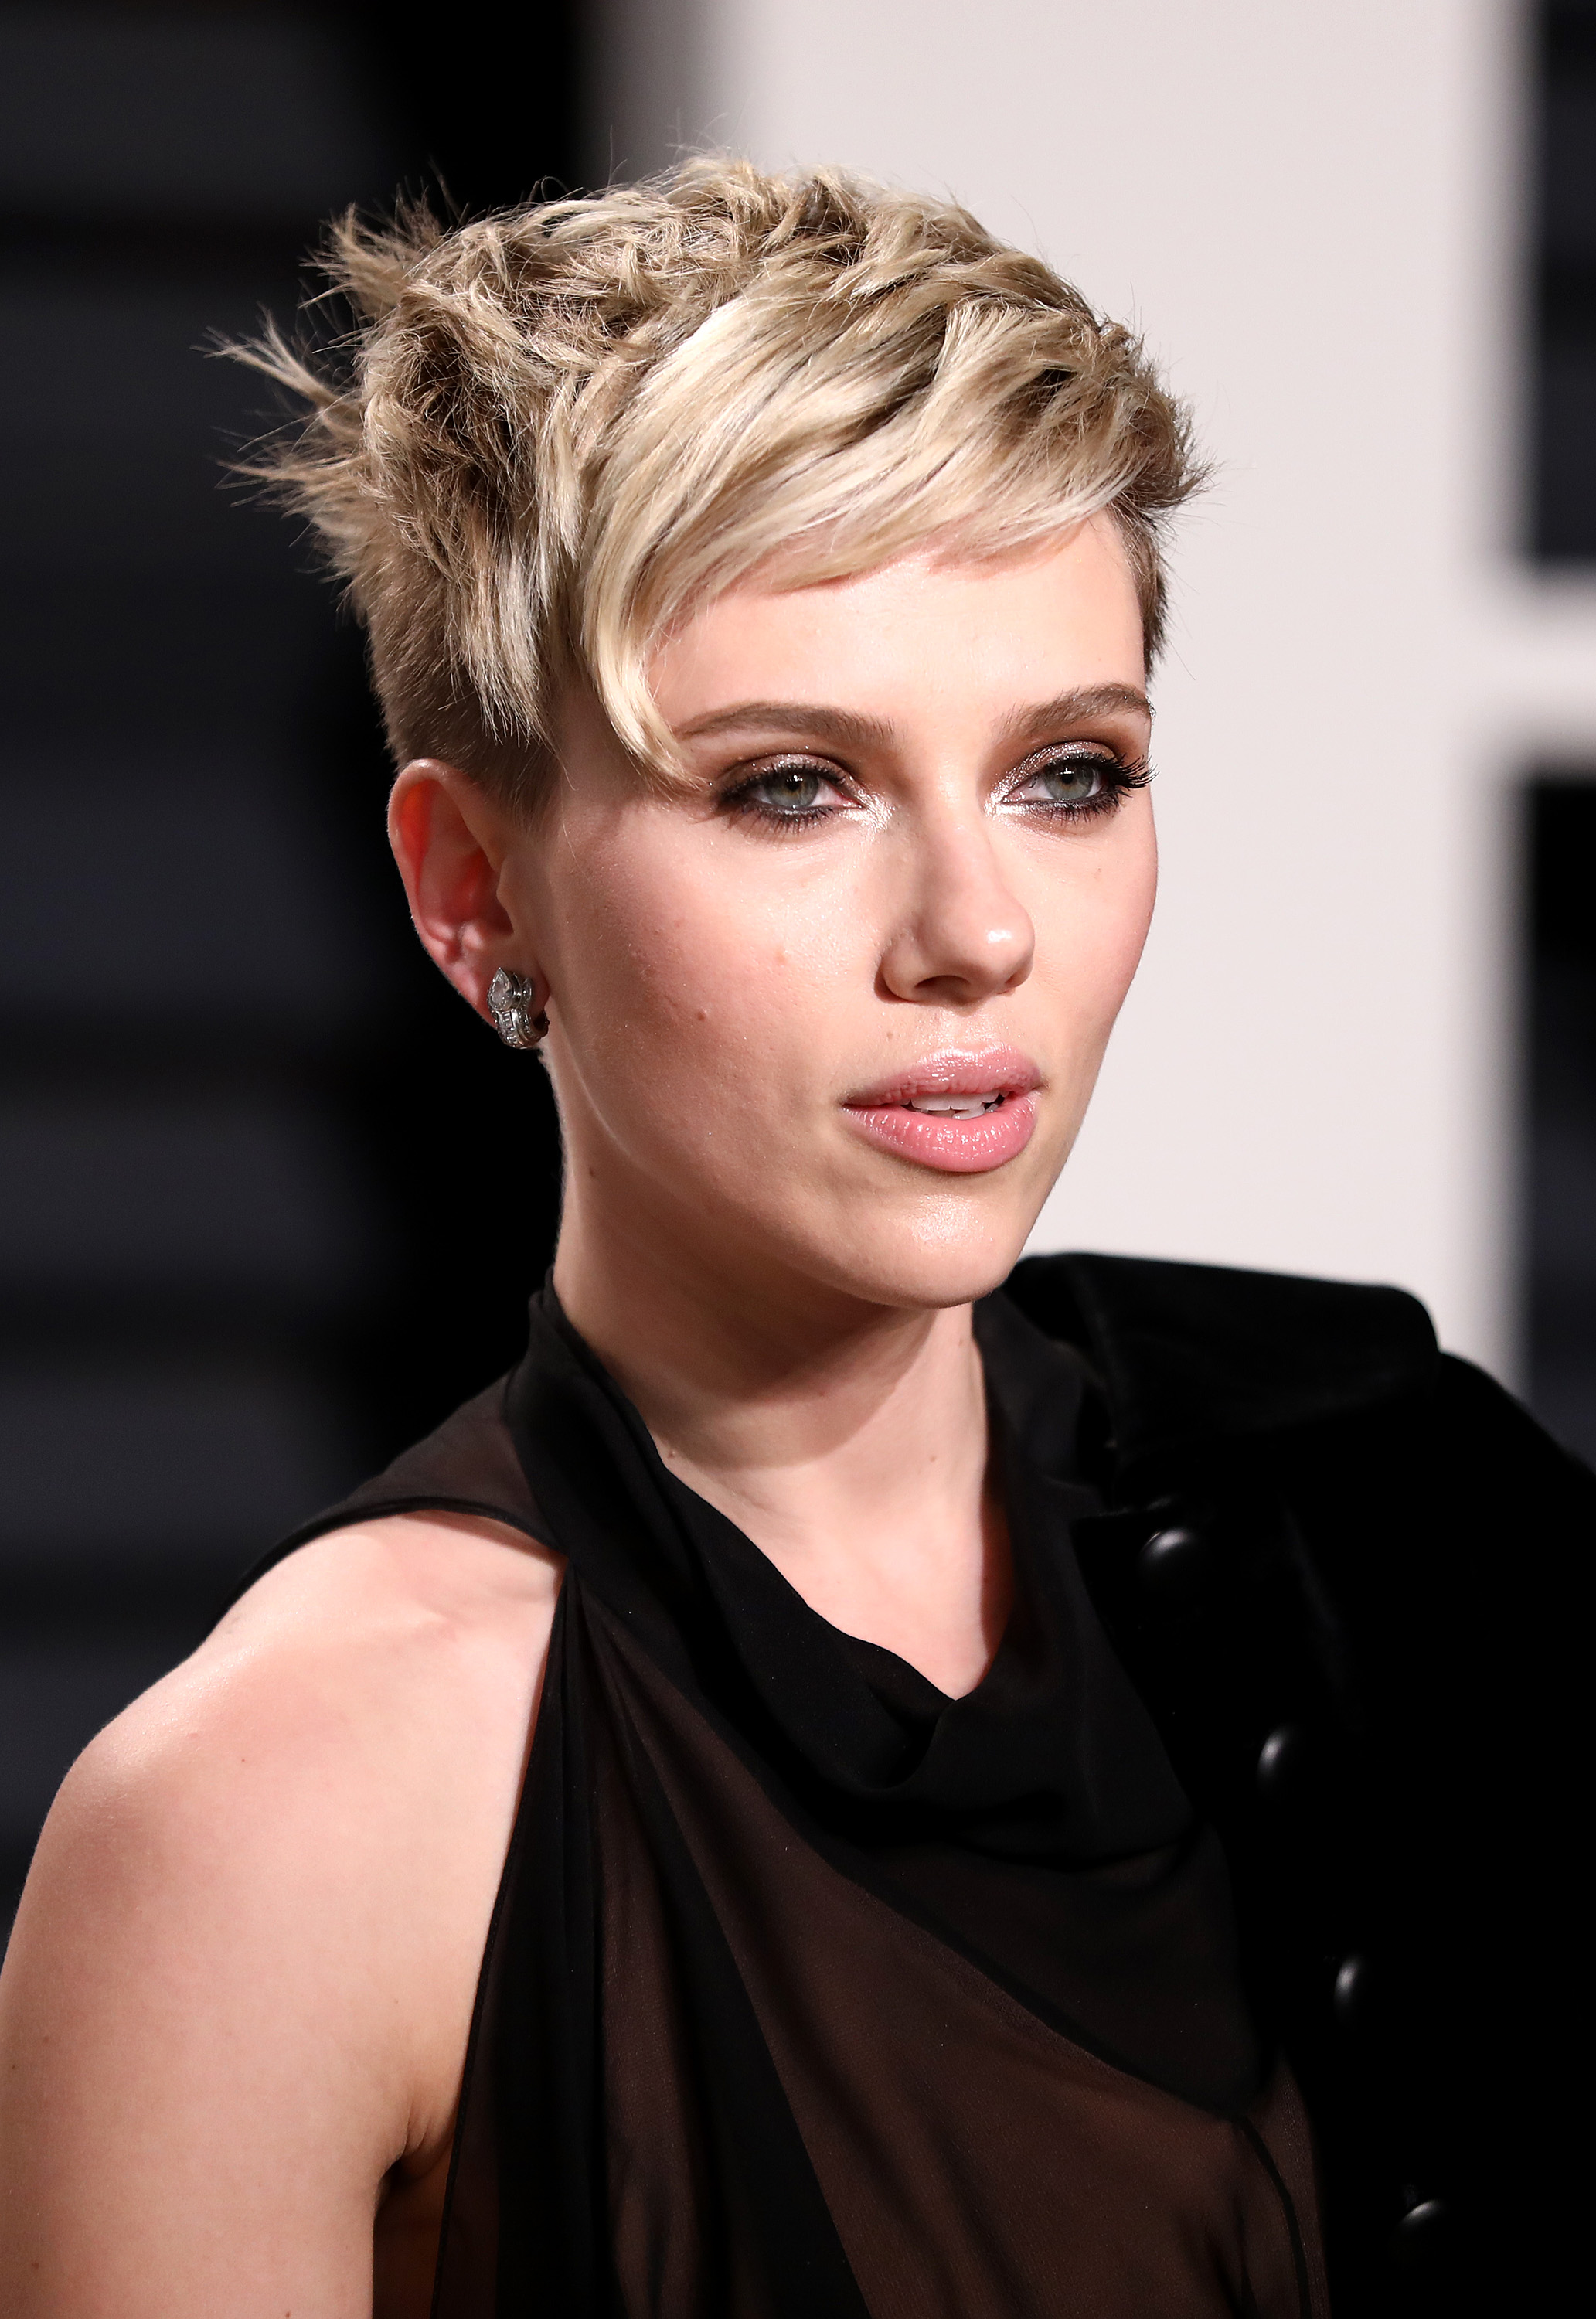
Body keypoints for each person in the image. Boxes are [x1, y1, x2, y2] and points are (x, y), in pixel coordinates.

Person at [0, 160, 1586, 2319]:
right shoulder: (273, 1821)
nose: (975, 933)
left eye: (1068, 774)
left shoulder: (1398, 1511)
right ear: (474, 888)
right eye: (790, 787)